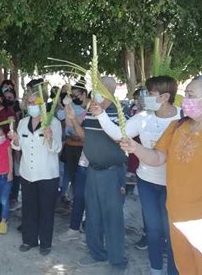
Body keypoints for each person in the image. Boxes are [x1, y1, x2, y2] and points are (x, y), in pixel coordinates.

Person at [120, 75, 202, 275]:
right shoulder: (177, 126)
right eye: (185, 94)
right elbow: (157, 158)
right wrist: (135, 147)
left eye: (190, 95)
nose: (184, 100)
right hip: (178, 215)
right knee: (184, 266)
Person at [93, 76, 181, 275]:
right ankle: (155, 269)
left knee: (172, 232)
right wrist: (100, 115)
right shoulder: (143, 117)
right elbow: (118, 133)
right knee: (153, 229)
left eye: (149, 94)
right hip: (147, 182)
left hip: (174, 184)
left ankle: (174, 271)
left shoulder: (182, 119)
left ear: (165, 96)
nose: (144, 97)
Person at [68, 77, 129, 271]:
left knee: (113, 217)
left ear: (111, 91)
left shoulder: (120, 113)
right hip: (92, 170)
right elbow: (84, 136)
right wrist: (71, 119)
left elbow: (121, 137)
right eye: (95, 88)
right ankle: (97, 253)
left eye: (100, 88)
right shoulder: (92, 113)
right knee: (93, 214)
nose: (95, 92)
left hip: (112, 173)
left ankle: (117, 260)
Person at [9, 91, 62, 256]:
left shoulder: (53, 123)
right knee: (29, 208)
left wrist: (50, 138)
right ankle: (29, 240)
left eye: (35, 103)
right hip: (27, 174)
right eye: (29, 103)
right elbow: (18, 147)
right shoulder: (23, 123)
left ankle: (45, 243)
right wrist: (15, 140)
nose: (32, 106)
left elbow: (57, 149)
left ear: (43, 104)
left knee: (46, 210)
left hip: (47, 174)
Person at [58, 83, 90, 242]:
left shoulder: (91, 109)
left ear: (84, 94)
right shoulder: (70, 108)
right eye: (73, 95)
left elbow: (84, 135)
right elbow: (69, 126)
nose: (75, 98)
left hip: (85, 153)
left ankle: (83, 222)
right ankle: (76, 224)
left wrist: (78, 130)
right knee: (76, 186)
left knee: (84, 190)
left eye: (77, 95)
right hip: (71, 148)